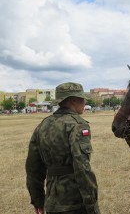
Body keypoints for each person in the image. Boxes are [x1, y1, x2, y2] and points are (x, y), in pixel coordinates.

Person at [25, 82, 100, 214]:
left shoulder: (43, 125)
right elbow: (82, 168)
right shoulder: (77, 125)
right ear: (73, 100)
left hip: (52, 200)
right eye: (82, 99)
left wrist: (37, 199)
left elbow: (33, 168)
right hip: (74, 201)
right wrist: (92, 204)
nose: (84, 102)